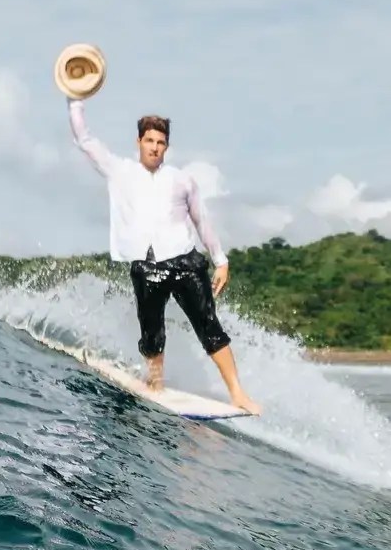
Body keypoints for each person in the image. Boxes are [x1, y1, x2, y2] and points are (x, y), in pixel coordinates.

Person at [66, 97, 261, 415]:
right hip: (146, 268)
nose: (155, 147)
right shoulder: (119, 171)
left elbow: (201, 220)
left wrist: (220, 259)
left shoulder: (183, 180)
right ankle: (156, 385)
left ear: (167, 146)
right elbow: (84, 139)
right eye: (149, 141)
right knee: (152, 332)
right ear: (138, 141)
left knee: (209, 326)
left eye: (161, 142)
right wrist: (75, 100)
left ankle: (238, 393)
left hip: (185, 262)